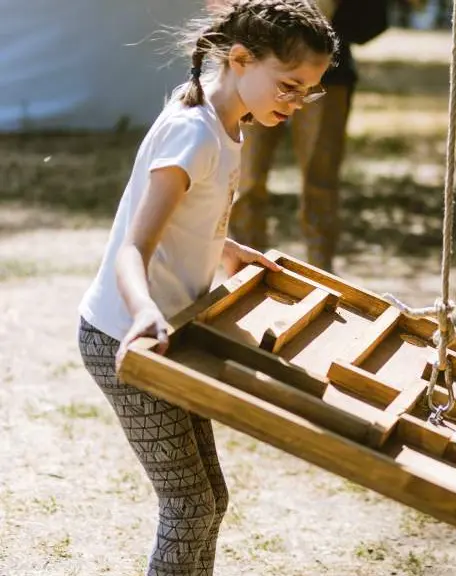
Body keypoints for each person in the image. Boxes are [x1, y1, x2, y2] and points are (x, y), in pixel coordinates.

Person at [76, 1, 337, 573]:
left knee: (209, 501)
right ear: (240, 59)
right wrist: (144, 311)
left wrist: (227, 249)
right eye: (289, 86)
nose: (296, 103)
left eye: (308, 92)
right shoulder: (193, 134)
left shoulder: (224, 122)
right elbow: (132, 248)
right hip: (125, 337)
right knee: (189, 506)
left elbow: (191, 215)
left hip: (175, 332)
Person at [228, 0, 356, 271]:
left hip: (328, 74)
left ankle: (322, 276)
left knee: (320, 182)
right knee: (246, 180)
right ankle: (245, 273)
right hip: (262, 69)